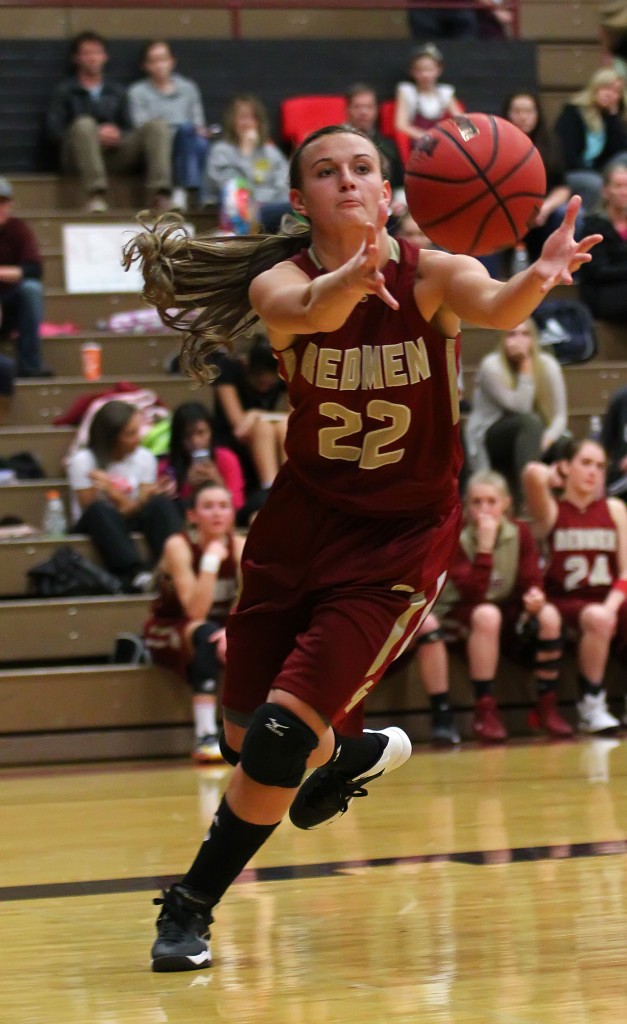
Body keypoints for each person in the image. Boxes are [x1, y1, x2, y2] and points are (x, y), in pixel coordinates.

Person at [123, 122, 599, 972]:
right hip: (296, 529)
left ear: (389, 193)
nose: (346, 181)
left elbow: (496, 305)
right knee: (244, 741)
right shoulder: (283, 282)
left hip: (396, 542)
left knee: (273, 741)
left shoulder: (434, 276)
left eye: (362, 168)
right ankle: (346, 754)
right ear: (300, 200)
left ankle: (189, 906)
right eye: (325, 172)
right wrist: (349, 278)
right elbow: (311, 312)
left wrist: (539, 273)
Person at [433, 469, 571, 742]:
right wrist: (484, 548)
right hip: (458, 613)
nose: (484, 509)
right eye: (477, 502)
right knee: (487, 614)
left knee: (549, 615)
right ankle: (485, 710)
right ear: (466, 505)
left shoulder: (519, 531)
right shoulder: (457, 537)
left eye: (491, 502)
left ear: (506, 504)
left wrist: (535, 598)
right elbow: (473, 595)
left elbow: (531, 578)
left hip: (501, 611)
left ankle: (546, 704)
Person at [523, 439, 627, 733]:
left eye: (599, 466)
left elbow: (626, 569)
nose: (593, 472)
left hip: (608, 598)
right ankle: (591, 703)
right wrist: (554, 475)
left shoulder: (615, 508)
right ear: (566, 466)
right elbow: (532, 472)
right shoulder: (552, 510)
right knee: (597, 617)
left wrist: (611, 605)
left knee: (603, 614)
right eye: (585, 463)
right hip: (564, 602)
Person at [144, 481, 245, 762]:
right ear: (192, 515)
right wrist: (211, 561)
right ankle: (205, 735)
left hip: (221, 629)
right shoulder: (179, 545)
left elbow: (249, 605)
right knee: (205, 634)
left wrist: (231, 632)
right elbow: (196, 612)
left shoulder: (241, 546)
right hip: (170, 627)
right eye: (208, 506)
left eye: (224, 506)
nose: (217, 514)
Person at [46, 30, 173, 212]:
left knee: (157, 126)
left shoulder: (117, 91)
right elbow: (53, 132)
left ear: (105, 57)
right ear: (77, 58)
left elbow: (130, 127)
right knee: (85, 124)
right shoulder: (65, 91)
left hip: (113, 154)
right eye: (87, 53)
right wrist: (91, 134)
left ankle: (159, 195)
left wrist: (118, 134)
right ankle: (95, 195)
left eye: (97, 52)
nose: (93, 58)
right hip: (77, 157)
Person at [66, 399, 183, 591]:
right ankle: (135, 574)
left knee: (161, 503)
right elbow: (90, 507)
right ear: (111, 437)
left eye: (138, 431)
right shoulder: (83, 461)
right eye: (130, 434)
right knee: (100, 510)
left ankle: (174, 563)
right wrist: (132, 499)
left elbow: (135, 507)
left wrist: (112, 491)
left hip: (130, 517)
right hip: (96, 525)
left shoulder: (145, 458)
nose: (138, 438)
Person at [465, 319, 568, 511]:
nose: (519, 340)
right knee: (529, 423)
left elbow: (560, 417)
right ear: (503, 339)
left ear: (534, 339)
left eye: (525, 334)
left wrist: (547, 439)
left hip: (535, 436)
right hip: (491, 436)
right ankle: (530, 500)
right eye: (512, 334)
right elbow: (521, 407)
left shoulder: (548, 365)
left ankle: (567, 509)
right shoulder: (491, 366)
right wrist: (525, 368)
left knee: (566, 446)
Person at [128, 40, 213, 212]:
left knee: (198, 139)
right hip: (159, 144)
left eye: (163, 59)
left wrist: (199, 130)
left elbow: (198, 122)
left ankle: (193, 194)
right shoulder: (137, 92)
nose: (160, 65)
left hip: (187, 138)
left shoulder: (188, 88)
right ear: (145, 66)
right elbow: (141, 126)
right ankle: (190, 193)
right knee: (180, 132)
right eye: (154, 61)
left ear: (172, 61)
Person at [210, 332, 288, 497]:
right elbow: (240, 428)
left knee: (284, 426)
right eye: (259, 381)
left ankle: (290, 487)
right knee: (263, 428)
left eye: (270, 382)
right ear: (247, 367)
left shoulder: (283, 374)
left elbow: (296, 415)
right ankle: (270, 489)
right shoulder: (229, 369)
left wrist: (255, 414)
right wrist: (255, 415)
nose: (264, 387)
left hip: (265, 429)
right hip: (233, 437)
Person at [502, 91, 573, 265]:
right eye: (517, 111)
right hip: (504, 212)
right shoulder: (496, 143)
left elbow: (562, 188)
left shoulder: (551, 143)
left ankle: (563, 277)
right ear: (507, 114)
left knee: (567, 216)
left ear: (537, 114)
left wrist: (544, 209)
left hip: (543, 213)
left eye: (528, 111)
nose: (523, 117)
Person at [206, 93, 290, 233]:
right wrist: (245, 153)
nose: (247, 123)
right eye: (242, 117)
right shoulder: (221, 151)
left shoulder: (270, 152)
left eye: (252, 118)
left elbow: (284, 186)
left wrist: (259, 201)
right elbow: (231, 189)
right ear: (232, 121)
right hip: (235, 214)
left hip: (268, 208)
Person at [554, 67, 627, 213]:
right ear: (595, 88)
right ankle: (588, 222)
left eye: (616, 91)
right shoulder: (573, 112)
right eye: (606, 88)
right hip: (572, 171)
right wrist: (595, 174)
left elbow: (620, 149)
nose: (610, 94)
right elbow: (568, 153)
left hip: (596, 171)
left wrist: (612, 116)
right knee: (594, 183)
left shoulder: (610, 118)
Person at [0, 177, 51, 377]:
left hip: (10, 304)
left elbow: (34, 270)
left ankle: (30, 363)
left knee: (32, 289)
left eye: (3, 203)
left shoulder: (18, 229)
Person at [158, 400, 245, 513]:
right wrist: (188, 485)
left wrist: (218, 482)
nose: (195, 441)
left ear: (211, 433)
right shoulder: (166, 465)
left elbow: (237, 504)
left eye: (201, 433)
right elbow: (167, 512)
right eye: (187, 435)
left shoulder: (226, 458)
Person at [577, 159, 627, 322]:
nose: (624, 192)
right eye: (618, 186)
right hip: (603, 293)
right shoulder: (593, 225)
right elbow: (598, 271)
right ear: (606, 191)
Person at [345, 82, 405, 212]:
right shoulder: (334, 144)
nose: (363, 112)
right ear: (347, 109)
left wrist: (399, 202)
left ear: (376, 110)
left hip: (386, 208)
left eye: (368, 107)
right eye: (357, 107)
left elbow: (400, 182)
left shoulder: (389, 146)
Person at [394, 43, 464, 151]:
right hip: (418, 144)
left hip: (442, 143)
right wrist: (426, 137)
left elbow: (461, 120)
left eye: (430, 70)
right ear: (412, 71)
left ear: (439, 70)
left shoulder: (445, 92)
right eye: (420, 70)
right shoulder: (407, 91)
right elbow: (400, 125)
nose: (425, 75)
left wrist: (471, 138)